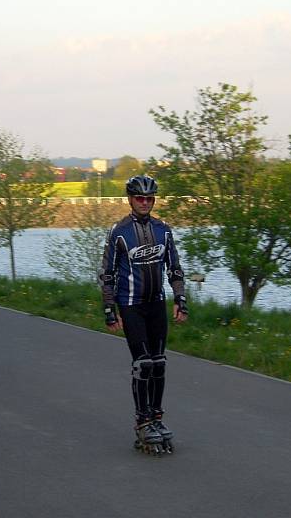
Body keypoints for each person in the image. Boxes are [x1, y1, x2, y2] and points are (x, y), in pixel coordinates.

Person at [99, 175, 188, 454]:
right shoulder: (119, 232)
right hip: (131, 304)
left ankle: (157, 418)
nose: (145, 203)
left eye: (149, 198)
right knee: (143, 363)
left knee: (159, 362)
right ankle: (142, 420)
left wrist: (180, 298)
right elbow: (108, 273)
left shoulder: (164, 230)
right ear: (130, 198)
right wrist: (109, 308)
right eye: (140, 198)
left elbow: (174, 267)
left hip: (156, 304)